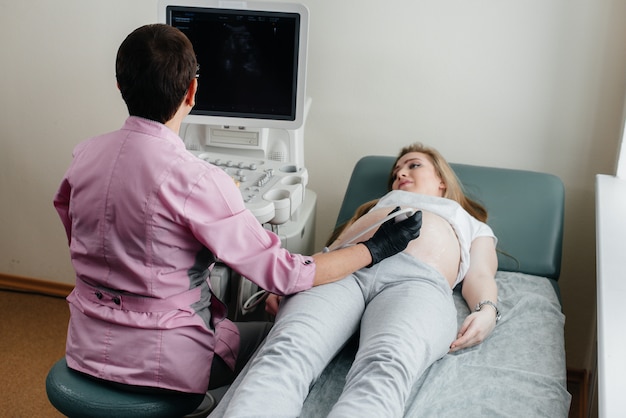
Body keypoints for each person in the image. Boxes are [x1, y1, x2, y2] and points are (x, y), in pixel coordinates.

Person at [52, 23, 421, 411]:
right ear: (192, 91)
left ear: (119, 86)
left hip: (87, 350)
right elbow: (285, 275)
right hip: (164, 367)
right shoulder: (199, 181)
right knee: (283, 337)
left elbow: (79, 233)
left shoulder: (84, 155)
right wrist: (375, 248)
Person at [219, 143, 499, 417]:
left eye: (413, 165)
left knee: (386, 367)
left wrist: (487, 309)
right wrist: (296, 278)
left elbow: (481, 274)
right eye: (396, 172)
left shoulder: (469, 222)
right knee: (286, 350)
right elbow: (333, 250)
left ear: (441, 180)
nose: (400, 174)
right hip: (346, 272)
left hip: (418, 283)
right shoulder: (378, 206)